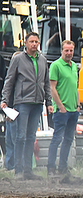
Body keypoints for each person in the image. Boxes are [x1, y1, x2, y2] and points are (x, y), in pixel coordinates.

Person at [1, 32, 54, 180]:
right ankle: (18, 170)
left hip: (37, 103)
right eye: (31, 41)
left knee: (31, 136)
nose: (34, 44)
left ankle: (28, 170)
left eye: (36, 41)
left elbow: (46, 83)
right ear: (25, 43)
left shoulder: (43, 60)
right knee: (20, 136)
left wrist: (48, 102)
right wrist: (5, 99)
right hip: (22, 102)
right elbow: (9, 80)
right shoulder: (18, 59)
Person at [47, 40, 80, 176]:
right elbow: (52, 88)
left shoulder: (74, 66)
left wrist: (78, 106)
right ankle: (50, 168)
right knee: (57, 139)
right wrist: (60, 107)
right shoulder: (56, 65)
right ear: (61, 51)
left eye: (71, 50)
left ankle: (63, 167)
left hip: (73, 110)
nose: (69, 53)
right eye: (66, 50)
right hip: (62, 110)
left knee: (68, 139)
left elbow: (75, 87)